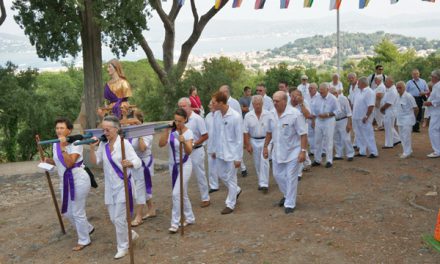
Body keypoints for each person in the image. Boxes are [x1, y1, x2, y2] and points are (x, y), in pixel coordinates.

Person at [89, 115, 141, 259]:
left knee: (118, 218)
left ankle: (123, 247)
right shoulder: (104, 145)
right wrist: (92, 149)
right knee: (113, 218)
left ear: (116, 129)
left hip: (124, 185)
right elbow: (95, 161)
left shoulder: (124, 144)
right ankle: (131, 234)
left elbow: (137, 161)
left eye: (107, 129)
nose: (105, 132)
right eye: (103, 129)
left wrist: (130, 163)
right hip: (110, 187)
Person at [43, 118, 94, 251]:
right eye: (57, 128)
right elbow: (59, 162)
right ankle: (88, 228)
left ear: (69, 130)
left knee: (77, 211)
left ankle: (84, 240)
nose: (58, 130)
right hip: (64, 180)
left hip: (78, 179)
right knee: (67, 212)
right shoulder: (55, 144)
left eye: (62, 128)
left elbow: (70, 163)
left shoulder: (76, 143)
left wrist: (63, 147)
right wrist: (48, 160)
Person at [263, 91, 307, 214]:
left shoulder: (295, 114)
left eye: (277, 101)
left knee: (291, 177)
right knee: (277, 175)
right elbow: (269, 132)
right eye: (273, 100)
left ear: (284, 101)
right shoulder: (271, 114)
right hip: (278, 152)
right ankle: (287, 195)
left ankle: (290, 204)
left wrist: (303, 151)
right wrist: (265, 147)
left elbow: (303, 134)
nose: (274, 103)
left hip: (293, 152)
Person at [158, 108, 195, 233]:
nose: (178, 123)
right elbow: (161, 144)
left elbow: (189, 151)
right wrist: (167, 130)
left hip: (185, 164)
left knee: (175, 193)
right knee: (182, 193)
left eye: (180, 121)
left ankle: (175, 222)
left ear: (185, 119)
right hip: (173, 166)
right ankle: (190, 217)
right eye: (176, 120)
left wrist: (184, 142)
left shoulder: (188, 132)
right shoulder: (171, 131)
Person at [210, 91, 243, 214]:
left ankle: (230, 204)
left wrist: (238, 157)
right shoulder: (217, 115)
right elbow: (215, 134)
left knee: (231, 178)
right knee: (221, 175)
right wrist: (213, 149)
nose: (212, 105)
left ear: (221, 103)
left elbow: (239, 139)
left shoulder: (235, 116)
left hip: (232, 153)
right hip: (220, 152)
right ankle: (236, 190)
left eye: (214, 103)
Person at [178, 97, 210, 208]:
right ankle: (182, 198)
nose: (182, 108)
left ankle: (205, 198)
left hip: (197, 150)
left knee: (200, 175)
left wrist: (193, 144)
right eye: (180, 106)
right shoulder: (180, 121)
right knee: (183, 175)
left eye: (184, 106)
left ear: (190, 106)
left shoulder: (197, 119)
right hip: (185, 152)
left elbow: (205, 135)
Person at [129, 111, 156, 227]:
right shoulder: (129, 131)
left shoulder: (146, 132)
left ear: (140, 121)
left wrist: (139, 132)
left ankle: (139, 216)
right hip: (134, 162)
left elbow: (143, 148)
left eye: (135, 121)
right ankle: (151, 209)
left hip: (144, 162)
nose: (132, 124)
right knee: (142, 186)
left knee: (139, 188)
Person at [244, 95, 273, 193]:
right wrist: (247, 144)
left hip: (266, 140)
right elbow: (245, 131)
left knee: (264, 160)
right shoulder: (248, 116)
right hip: (254, 140)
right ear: (252, 104)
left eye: (259, 104)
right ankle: (261, 182)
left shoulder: (268, 114)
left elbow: (271, 131)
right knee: (257, 162)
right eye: (255, 104)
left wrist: (266, 145)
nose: (257, 106)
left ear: (262, 104)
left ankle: (265, 184)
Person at [219, 85, 247, 177]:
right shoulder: (220, 103)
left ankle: (242, 167)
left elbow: (239, 117)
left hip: (234, 130)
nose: (221, 94)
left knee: (236, 148)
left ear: (227, 92)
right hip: (226, 130)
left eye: (222, 92)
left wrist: (241, 130)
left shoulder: (234, 102)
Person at [310, 83, 339, 168]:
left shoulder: (333, 98)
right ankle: (317, 160)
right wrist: (314, 119)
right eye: (320, 91)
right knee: (317, 140)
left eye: (322, 92)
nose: (321, 93)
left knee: (328, 140)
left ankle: (329, 160)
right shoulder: (317, 98)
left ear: (327, 90)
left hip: (328, 120)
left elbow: (338, 110)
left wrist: (328, 114)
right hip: (319, 120)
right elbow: (314, 109)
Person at [352, 77, 379, 158]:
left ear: (362, 83)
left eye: (358, 83)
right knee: (359, 135)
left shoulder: (369, 92)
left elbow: (371, 105)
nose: (357, 84)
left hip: (364, 117)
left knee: (368, 135)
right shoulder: (359, 91)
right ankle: (362, 151)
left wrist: (366, 116)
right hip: (357, 117)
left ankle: (373, 152)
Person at [290, 89, 312, 178]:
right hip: (291, 130)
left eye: (296, 96)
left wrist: (301, 104)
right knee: (295, 149)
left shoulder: (304, 103)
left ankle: (298, 173)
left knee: (300, 149)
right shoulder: (286, 103)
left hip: (302, 129)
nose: (294, 98)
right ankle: (307, 162)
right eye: (292, 96)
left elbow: (308, 115)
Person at [329, 88, 355, 161]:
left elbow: (349, 112)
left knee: (346, 138)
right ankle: (339, 154)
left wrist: (349, 123)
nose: (334, 95)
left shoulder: (343, 99)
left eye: (335, 93)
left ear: (337, 93)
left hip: (343, 119)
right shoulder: (330, 100)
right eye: (332, 93)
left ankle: (350, 154)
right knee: (336, 138)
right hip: (334, 120)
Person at [395, 81, 418, 159]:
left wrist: (413, 117)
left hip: (407, 119)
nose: (398, 89)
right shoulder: (397, 96)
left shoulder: (408, 96)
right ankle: (407, 150)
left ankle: (406, 152)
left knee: (406, 136)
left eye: (400, 87)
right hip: (400, 119)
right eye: (397, 87)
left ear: (404, 88)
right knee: (401, 136)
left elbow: (416, 108)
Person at [380, 77, 401, 149]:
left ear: (391, 82)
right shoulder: (389, 90)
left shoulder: (393, 91)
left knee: (388, 127)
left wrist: (382, 108)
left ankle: (389, 144)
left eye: (386, 81)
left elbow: (389, 103)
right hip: (388, 111)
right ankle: (397, 139)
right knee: (389, 127)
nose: (385, 83)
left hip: (390, 111)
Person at [424, 69, 440, 158]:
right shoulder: (436, 86)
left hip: (437, 111)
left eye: (432, 76)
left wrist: (429, 103)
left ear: (435, 77)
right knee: (436, 130)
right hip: (436, 111)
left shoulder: (437, 86)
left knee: (433, 130)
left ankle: (437, 151)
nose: (431, 78)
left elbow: (438, 99)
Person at [205, 100, 219, 193]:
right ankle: (214, 185)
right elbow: (206, 132)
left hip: (220, 145)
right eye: (210, 105)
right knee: (211, 166)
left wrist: (216, 148)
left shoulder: (220, 115)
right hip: (210, 144)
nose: (211, 106)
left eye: (213, 104)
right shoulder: (207, 117)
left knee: (224, 166)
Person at [308, 83, 319, 156]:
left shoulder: (319, 96)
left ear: (316, 89)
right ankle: (312, 150)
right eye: (309, 88)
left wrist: (314, 120)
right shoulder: (306, 96)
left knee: (318, 135)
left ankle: (321, 151)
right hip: (308, 118)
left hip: (317, 119)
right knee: (310, 135)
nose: (310, 89)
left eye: (312, 88)